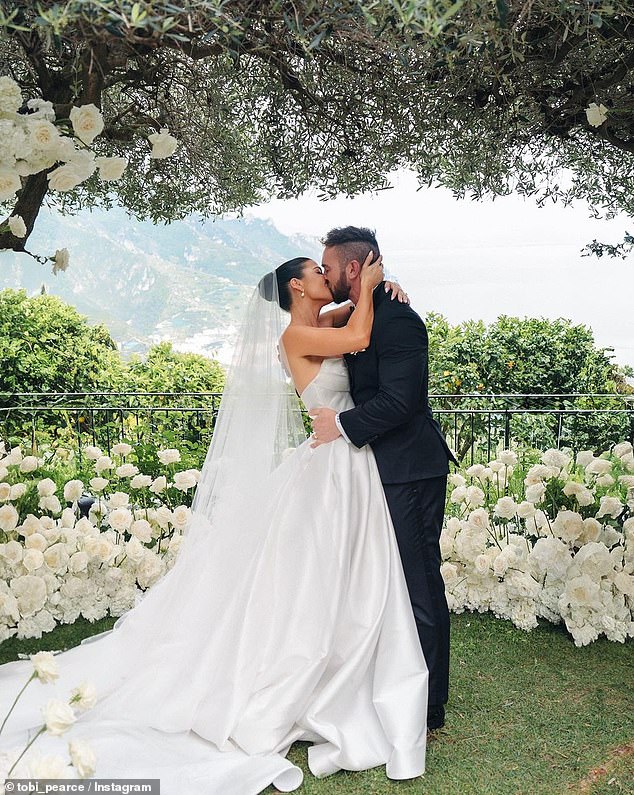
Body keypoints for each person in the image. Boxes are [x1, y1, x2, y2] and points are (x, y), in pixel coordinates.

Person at [0, 255, 429, 794]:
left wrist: (379, 287)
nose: (328, 278)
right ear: (297, 285)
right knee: (315, 575)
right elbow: (362, 331)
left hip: (342, 459)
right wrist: (368, 286)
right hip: (331, 465)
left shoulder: (317, 322)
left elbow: (354, 318)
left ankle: (349, 668)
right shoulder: (297, 336)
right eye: (317, 273)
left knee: (336, 574)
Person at [311, 226, 458, 731]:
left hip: (410, 472)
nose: (324, 273)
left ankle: (430, 700)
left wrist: (342, 425)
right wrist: (376, 288)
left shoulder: (400, 322)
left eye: (329, 266)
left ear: (353, 268)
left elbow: (402, 401)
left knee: (418, 581)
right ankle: (392, 678)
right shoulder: (358, 314)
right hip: (376, 470)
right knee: (386, 581)